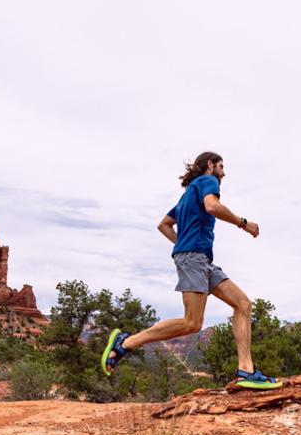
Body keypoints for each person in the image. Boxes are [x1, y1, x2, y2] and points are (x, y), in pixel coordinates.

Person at [100, 151, 282, 390]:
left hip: (201, 259)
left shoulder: (186, 196)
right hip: (194, 259)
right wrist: (244, 224)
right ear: (210, 165)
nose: (223, 173)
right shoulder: (208, 181)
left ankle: (246, 371)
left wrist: (182, 244)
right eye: (221, 167)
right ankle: (126, 343)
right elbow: (213, 206)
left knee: (243, 304)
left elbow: (163, 225)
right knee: (192, 323)